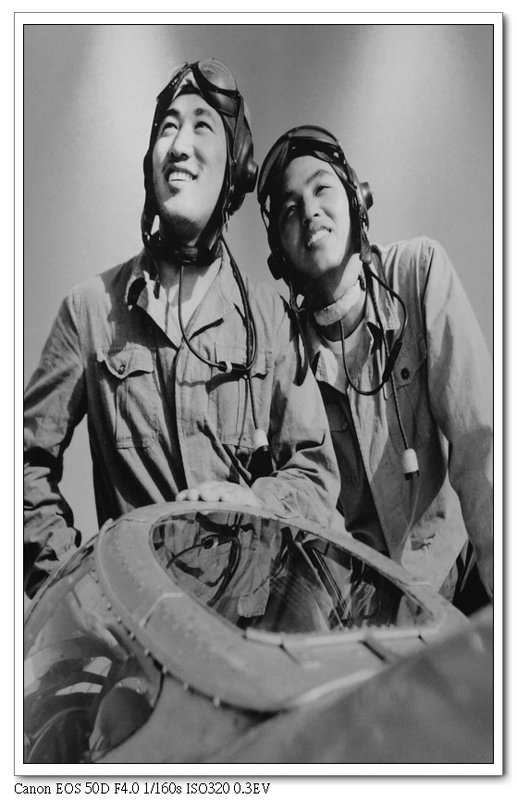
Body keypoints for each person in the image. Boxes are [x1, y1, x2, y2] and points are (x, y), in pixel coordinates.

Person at [23, 63, 340, 599]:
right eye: (167, 128)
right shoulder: (88, 311)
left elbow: (314, 471)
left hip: (250, 631)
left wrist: (258, 503)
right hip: (134, 631)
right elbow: (23, 464)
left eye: (202, 126)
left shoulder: (270, 319)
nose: (179, 146)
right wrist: (72, 584)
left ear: (236, 169)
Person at [257, 125, 493, 605]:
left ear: (356, 200)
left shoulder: (418, 271)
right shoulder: (283, 348)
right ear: (279, 255)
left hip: (463, 578)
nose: (309, 211)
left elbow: (481, 446)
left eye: (322, 189)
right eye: (289, 210)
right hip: (370, 610)